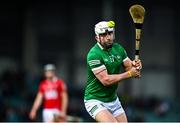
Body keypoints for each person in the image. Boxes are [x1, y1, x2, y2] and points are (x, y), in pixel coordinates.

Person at [84, 20, 142, 122]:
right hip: (95, 100)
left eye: (110, 33)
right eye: (103, 34)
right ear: (97, 37)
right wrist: (129, 74)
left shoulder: (118, 49)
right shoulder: (94, 55)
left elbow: (129, 67)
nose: (108, 37)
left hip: (113, 100)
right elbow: (106, 81)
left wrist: (136, 67)